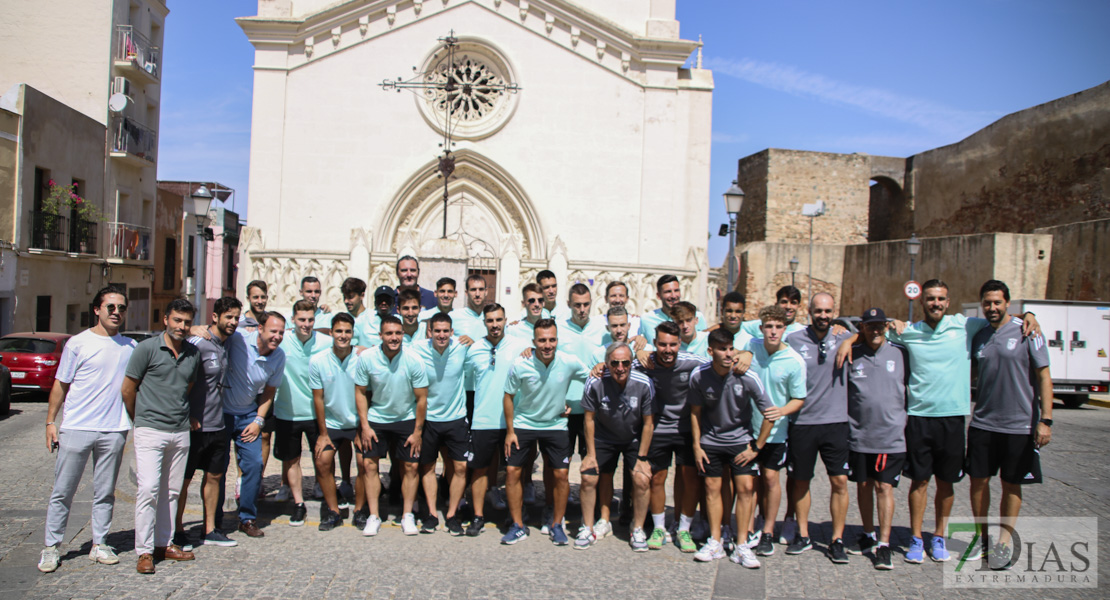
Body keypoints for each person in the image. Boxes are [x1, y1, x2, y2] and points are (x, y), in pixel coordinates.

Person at [836, 279, 1039, 563]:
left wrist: (1029, 316)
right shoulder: (909, 331)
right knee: (919, 483)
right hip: (919, 418)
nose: (936, 303)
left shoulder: (965, 326)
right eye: (930, 299)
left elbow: (1001, 319)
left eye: (941, 299)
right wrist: (849, 338)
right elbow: (875, 333)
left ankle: (939, 537)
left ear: (948, 301)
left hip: (952, 418)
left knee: (946, 484)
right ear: (922, 302)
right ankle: (917, 539)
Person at [39, 286, 137, 574]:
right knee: (63, 491)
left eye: (121, 308)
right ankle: (51, 547)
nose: (116, 312)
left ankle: (99, 544)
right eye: (110, 307)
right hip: (77, 428)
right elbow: (61, 383)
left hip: (114, 430)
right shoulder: (77, 344)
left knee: (105, 492)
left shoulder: (131, 347)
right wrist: (50, 422)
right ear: (97, 310)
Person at [967, 280, 1053, 570]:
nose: (992, 307)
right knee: (978, 482)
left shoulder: (1028, 331)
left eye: (997, 302)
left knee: (1011, 484)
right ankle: (982, 539)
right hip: (983, 423)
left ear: (1008, 303)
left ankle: (1004, 542)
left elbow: (1044, 377)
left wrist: (1046, 420)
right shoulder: (978, 335)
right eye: (987, 303)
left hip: (1019, 425)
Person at [122, 299, 202, 574]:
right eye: (177, 320)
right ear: (166, 319)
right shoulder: (146, 349)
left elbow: (187, 386)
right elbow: (128, 389)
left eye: (187, 322)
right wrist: (140, 420)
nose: (182, 326)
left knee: (171, 491)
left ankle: (163, 543)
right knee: (147, 490)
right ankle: (144, 551)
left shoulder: (193, 353)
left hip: (180, 431)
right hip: (150, 429)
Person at [689, 328, 776, 568]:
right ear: (710, 351)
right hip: (711, 442)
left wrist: (757, 447)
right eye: (722, 349)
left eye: (730, 348)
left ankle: (741, 546)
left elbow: (770, 413)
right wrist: (697, 446)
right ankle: (715, 541)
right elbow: (695, 413)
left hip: (740, 442)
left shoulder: (747, 376)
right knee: (711, 488)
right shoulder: (698, 375)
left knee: (746, 488)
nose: (728, 354)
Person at [501, 319, 590, 546]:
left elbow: (591, 376)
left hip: (556, 425)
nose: (547, 345)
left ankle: (556, 524)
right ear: (534, 342)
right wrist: (510, 431)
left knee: (561, 475)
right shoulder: (521, 363)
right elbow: (508, 396)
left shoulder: (568, 361)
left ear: (557, 340)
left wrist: (599, 368)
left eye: (551, 340)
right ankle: (518, 525)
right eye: (542, 340)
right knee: (512, 472)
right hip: (524, 423)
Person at [781, 292, 853, 563]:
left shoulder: (844, 336)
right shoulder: (794, 339)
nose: (823, 316)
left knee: (840, 481)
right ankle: (803, 534)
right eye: (818, 311)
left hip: (836, 422)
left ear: (834, 311)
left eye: (828, 311)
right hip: (803, 421)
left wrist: (852, 337)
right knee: (800, 480)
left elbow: (876, 334)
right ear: (809, 312)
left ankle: (836, 539)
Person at [353, 316, 430, 536]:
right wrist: (364, 426)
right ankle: (374, 515)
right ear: (380, 336)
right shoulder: (367, 358)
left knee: (411, 467)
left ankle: (407, 515)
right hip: (376, 418)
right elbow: (359, 392)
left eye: (398, 333)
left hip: (405, 418)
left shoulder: (414, 359)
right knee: (369, 467)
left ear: (403, 334)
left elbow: (422, 398)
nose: (394, 337)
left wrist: (417, 432)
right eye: (389, 333)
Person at [845, 308, 909, 571]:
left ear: (886, 326)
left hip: (890, 435)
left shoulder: (900, 352)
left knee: (884, 487)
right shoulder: (852, 354)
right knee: (864, 485)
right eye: (870, 326)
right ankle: (868, 533)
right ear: (862, 327)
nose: (875, 330)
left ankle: (884, 544)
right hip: (859, 435)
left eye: (879, 325)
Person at [175, 297, 241, 550]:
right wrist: (188, 415)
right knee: (184, 479)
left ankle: (210, 529)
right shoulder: (198, 344)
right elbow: (181, 381)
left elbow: (258, 322)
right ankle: (178, 530)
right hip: (194, 426)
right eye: (228, 317)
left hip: (218, 424)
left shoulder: (226, 344)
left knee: (214, 477)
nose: (233, 322)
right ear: (215, 317)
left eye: (236, 317)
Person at [575, 343, 655, 552]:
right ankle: (589, 526)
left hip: (633, 437)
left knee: (642, 478)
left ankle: (637, 528)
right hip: (604, 437)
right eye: (615, 363)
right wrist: (590, 455)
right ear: (607, 364)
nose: (620, 368)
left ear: (631, 364)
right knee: (588, 475)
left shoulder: (643, 383)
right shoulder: (595, 381)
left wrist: (643, 459)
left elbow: (648, 423)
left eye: (625, 363)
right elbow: (589, 420)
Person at [740, 306, 806, 554]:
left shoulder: (794, 360)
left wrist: (782, 411)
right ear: (762, 328)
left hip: (776, 431)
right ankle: (746, 529)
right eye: (769, 326)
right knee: (749, 482)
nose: (773, 331)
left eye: (778, 327)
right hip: (748, 428)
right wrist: (743, 352)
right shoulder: (753, 347)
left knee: (770, 478)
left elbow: (799, 398)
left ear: (784, 329)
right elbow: (733, 350)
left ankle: (768, 530)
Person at [638, 321, 709, 553]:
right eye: (662, 345)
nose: (667, 350)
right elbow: (618, 366)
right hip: (658, 430)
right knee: (656, 479)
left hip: (686, 429)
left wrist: (744, 354)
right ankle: (659, 527)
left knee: (690, 479)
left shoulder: (693, 362)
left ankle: (684, 529)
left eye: (672, 345)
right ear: (655, 344)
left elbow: (720, 363)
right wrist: (601, 365)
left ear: (680, 344)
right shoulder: (645, 363)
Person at [463, 304, 529, 536]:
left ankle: (515, 517)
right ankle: (478, 516)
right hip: (483, 420)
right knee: (479, 471)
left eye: (499, 319)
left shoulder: (520, 347)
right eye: (490, 320)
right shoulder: (474, 350)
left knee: (513, 472)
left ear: (505, 320)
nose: (495, 324)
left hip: (512, 421)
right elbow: (465, 382)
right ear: (484, 322)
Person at [222, 312, 287, 538]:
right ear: (260, 328)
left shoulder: (279, 357)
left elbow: (269, 390)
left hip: (248, 415)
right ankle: (212, 520)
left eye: (281, 332)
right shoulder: (239, 339)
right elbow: (214, 332)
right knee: (217, 469)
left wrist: (259, 420)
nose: (277, 336)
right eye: (273, 331)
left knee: (254, 465)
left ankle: (247, 518)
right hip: (221, 414)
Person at [272, 300, 333, 524]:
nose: (306, 324)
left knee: (323, 459)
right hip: (287, 412)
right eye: (302, 320)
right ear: (293, 320)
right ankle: (298, 504)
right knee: (291, 459)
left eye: (310, 320)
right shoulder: (282, 340)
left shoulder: (326, 342)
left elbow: (351, 348)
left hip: (317, 413)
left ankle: (327, 497)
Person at [412, 313, 472, 535]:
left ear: (452, 331)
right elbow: (393, 348)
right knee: (427, 467)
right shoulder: (417, 349)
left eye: (445, 331)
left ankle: (452, 514)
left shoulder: (461, 347)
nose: (441, 335)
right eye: (437, 330)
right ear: (429, 332)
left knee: (460, 467)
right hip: (428, 420)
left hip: (456, 418)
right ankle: (430, 514)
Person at [309, 313, 363, 532]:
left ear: (353, 334)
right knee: (322, 461)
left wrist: (363, 428)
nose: (343, 335)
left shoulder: (361, 358)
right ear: (331, 333)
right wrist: (322, 434)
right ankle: (333, 511)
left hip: (357, 422)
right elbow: (318, 398)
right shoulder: (318, 361)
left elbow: (366, 395)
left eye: (347, 331)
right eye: (339, 331)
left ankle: (360, 510)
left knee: (365, 463)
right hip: (331, 423)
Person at [557, 283, 607, 510]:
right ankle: (557, 508)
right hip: (564, 409)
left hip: (592, 411)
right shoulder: (559, 329)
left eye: (586, 304)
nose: (582, 309)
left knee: (591, 464)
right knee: (560, 467)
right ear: (569, 305)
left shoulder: (602, 330)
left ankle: (593, 510)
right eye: (577, 305)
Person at [451, 274, 489, 423]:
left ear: (486, 291)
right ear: (466, 293)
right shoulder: (454, 317)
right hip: (462, 387)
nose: (477, 294)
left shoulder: (493, 318)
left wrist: (475, 344)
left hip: (486, 385)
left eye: (481, 289)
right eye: (473, 289)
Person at [638, 275, 708, 345]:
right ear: (658, 295)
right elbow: (640, 342)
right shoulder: (646, 319)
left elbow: (703, 341)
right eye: (668, 292)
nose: (673, 296)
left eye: (676, 290)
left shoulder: (695, 316)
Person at [739, 286, 806, 339]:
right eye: (784, 302)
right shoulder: (761, 325)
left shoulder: (803, 332)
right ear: (776, 304)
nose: (788, 307)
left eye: (793, 303)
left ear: (799, 307)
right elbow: (735, 327)